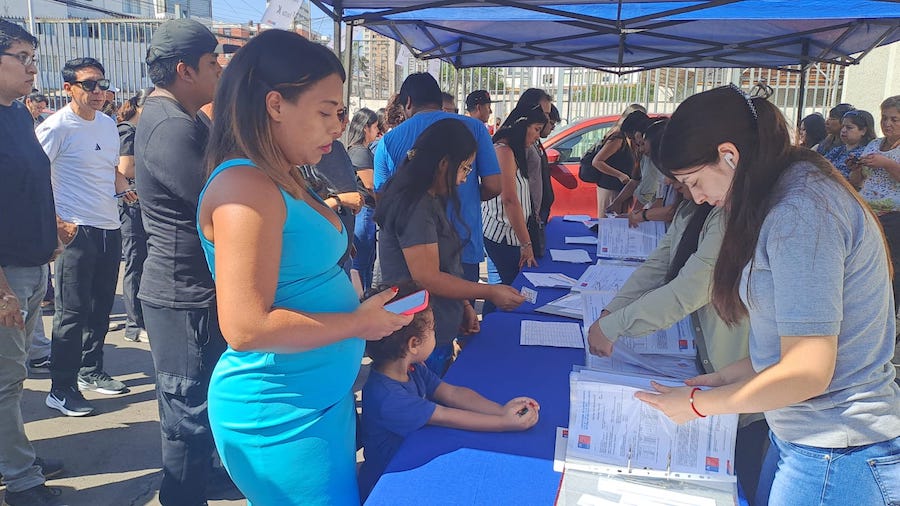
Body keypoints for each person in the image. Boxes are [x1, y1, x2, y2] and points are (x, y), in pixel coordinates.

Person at [633, 85, 899, 506]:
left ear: (729, 155)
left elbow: (808, 370)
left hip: (835, 448)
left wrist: (701, 405)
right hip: (808, 435)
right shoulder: (789, 191)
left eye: (694, 181)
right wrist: (731, 375)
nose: (697, 197)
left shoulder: (800, 213)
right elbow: (795, 343)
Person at [198, 29, 411, 505]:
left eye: (339, 113)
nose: (337, 127)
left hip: (316, 399)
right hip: (281, 412)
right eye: (326, 112)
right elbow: (246, 328)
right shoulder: (244, 187)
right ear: (276, 104)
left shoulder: (281, 175)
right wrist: (359, 323)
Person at [585, 158, 766, 499]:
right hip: (713, 365)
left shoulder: (730, 215)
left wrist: (616, 325)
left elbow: (688, 290)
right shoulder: (692, 209)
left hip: (740, 374)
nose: (685, 191)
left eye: (690, 181)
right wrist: (613, 310)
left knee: (742, 476)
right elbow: (660, 263)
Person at [134, 19, 233, 505]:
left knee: (203, 407)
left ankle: (204, 480)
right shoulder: (170, 126)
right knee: (186, 418)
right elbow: (218, 199)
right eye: (212, 63)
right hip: (181, 296)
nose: (219, 71)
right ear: (184, 70)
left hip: (198, 291)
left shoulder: (188, 118)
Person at [357, 282, 539, 500]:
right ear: (414, 344)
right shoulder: (389, 398)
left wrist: (500, 410)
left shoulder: (412, 369)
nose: (435, 332)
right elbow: (445, 415)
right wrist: (503, 423)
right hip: (389, 483)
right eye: (432, 328)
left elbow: (452, 393)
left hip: (411, 458)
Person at [376, 119, 524, 374]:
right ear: (444, 163)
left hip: (433, 330)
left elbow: (444, 265)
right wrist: (489, 292)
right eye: (465, 168)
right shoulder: (416, 206)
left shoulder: (430, 198)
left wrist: (464, 304)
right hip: (414, 337)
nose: (465, 179)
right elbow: (428, 278)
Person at [37, 57, 134, 416]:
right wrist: (58, 224)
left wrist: (125, 188)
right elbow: (33, 177)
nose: (98, 91)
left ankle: (91, 370)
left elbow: (108, 169)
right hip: (76, 231)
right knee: (71, 314)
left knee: (100, 310)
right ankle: (61, 388)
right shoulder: (56, 127)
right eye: (89, 84)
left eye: (102, 84)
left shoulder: (108, 124)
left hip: (109, 226)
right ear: (68, 88)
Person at [0, 19, 66, 506]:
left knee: (14, 376)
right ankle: (20, 480)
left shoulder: (18, 114)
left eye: (33, 58)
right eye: (21, 57)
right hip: (6, 275)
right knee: (5, 382)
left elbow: (28, 183)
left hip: (30, 265)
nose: (31, 67)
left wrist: (51, 231)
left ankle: (13, 456)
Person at [374, 73, 502, 287]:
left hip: (409, 254)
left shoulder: (389, 141)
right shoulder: (473, 128)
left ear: (408, 102)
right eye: (464, 169)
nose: (464, 180)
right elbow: (494, 185)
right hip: (459, 247)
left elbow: (381, 199)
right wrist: (469, 196)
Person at [482, 106, 546, 287]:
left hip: (510, 235)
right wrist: (526, 244)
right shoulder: (504, 151)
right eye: (536, 129)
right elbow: (509, 199)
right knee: (506, 288)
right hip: (503, 236)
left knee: (505, 287)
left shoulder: (513, 150)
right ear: (522, 126)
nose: (537, 136)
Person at [851, 96, 900, 323]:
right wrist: (857, 166)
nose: (887, 124)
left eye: (894, 119)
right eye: (884, 118)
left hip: (893, 214)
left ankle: (888, 313)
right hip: (867, 210)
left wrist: (887, 164)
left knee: (891, 265)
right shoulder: (874, 145)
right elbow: (858, 180)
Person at [116, 88, 153, 343]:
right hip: (131, 204)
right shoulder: (128, 131)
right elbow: (126, 168)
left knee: (143, 261)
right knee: (135, 262)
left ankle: (141, 320)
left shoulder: (140, 130)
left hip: (140, 202)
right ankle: (133, 324)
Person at [588, 104, 643, 217]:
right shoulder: (618, 138)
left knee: (619, 221)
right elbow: (597, 161)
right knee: (609, 221)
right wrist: (620, 175)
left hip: (623, 189)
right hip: (611, 188)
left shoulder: (631, 138)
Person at [347, 107, 380, 291]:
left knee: (365, 260)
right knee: (362, 261)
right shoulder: (360, 151)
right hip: (365, 211)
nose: (377, 131)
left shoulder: (358, 150)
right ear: (365, 128)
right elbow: (370, 184)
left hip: (364, 211)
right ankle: (362, 297)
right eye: (375, 127)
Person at [824, 109, 875, 180]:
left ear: (863, 131)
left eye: (849, 127)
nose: (843, 130)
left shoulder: (866, 153)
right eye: (842, 127)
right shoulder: (838, 150)